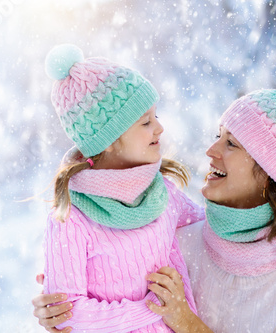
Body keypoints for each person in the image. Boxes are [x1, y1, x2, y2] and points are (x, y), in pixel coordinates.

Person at [33, 84, 276, 332]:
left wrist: (188, 324)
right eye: (217, 137)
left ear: (270, 173)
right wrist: (61, 304)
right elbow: (105, 286)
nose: (210, 151)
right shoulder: (178, 236)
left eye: (231, 144)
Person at [36, 44, 204, 332]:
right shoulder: (70, 218)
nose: (159, 128)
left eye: (156, 117)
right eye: (146, 122)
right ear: (109, 140)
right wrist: (152, 309)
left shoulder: (161, 191)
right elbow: (68, 313)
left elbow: (209, 230)